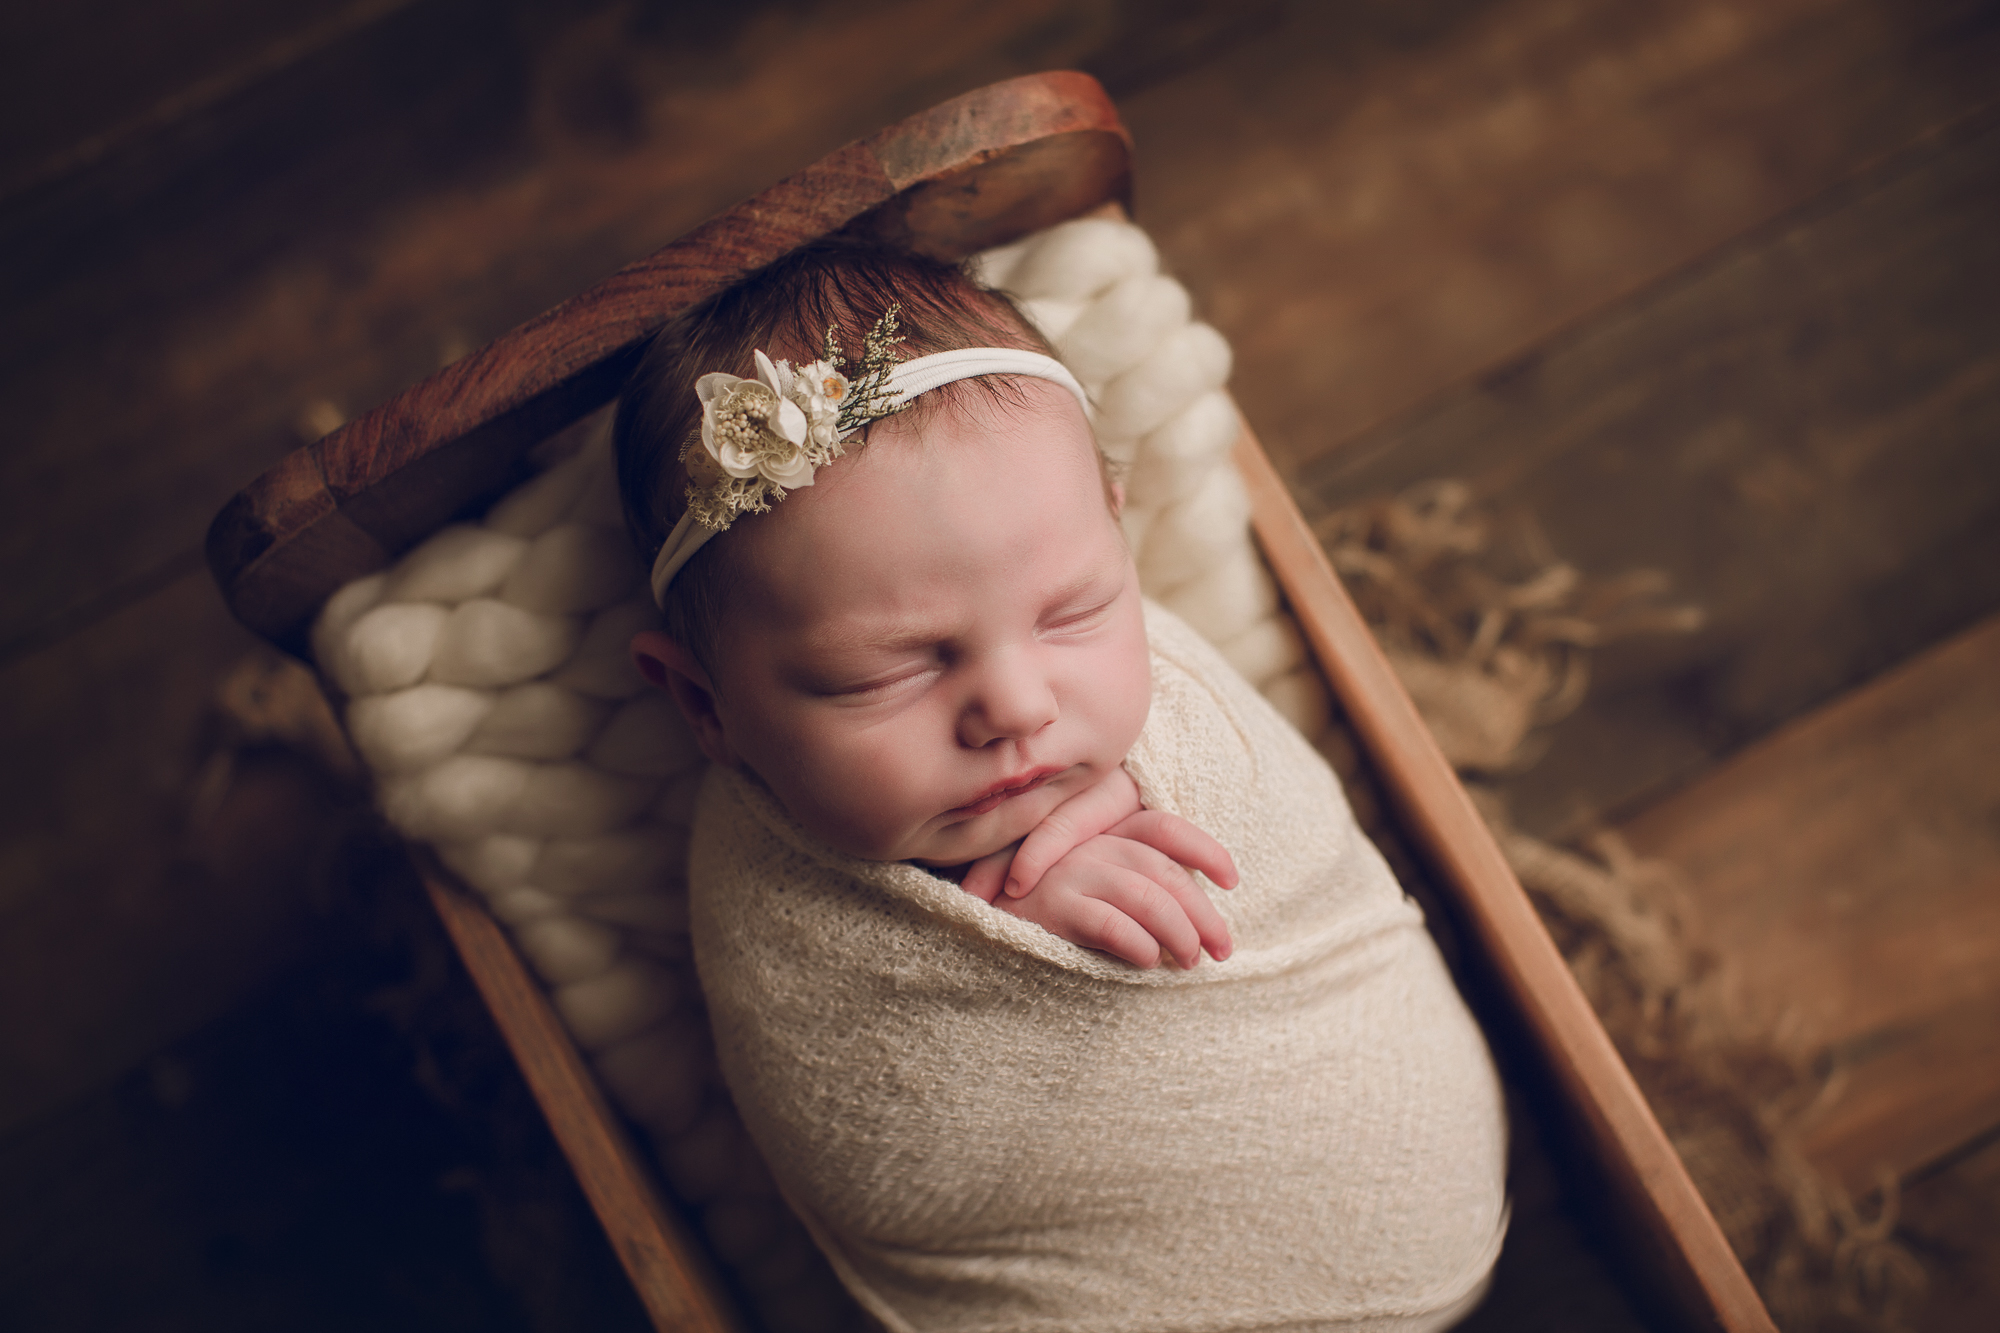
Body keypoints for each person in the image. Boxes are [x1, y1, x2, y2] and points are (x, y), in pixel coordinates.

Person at [619, 240, 1508, 1333]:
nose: (1016, 706)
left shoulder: (1181, 703)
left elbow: (1304, 844)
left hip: (1433, 1202)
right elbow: (866, 1138)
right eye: (886, 670)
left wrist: (1164, 801)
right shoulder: (763, 901)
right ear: (705, 705)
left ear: (1119, 539)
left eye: (1073, 609)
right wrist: (1004, 926)